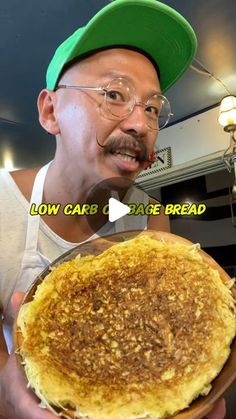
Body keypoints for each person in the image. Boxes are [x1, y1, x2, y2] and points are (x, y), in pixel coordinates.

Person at [0, 1, 226, 417]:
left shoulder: (149, 218)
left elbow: (165, 333)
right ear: (51, 112)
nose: (140, 124)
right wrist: (11, 403)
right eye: (114, 95)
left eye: (153, 108)